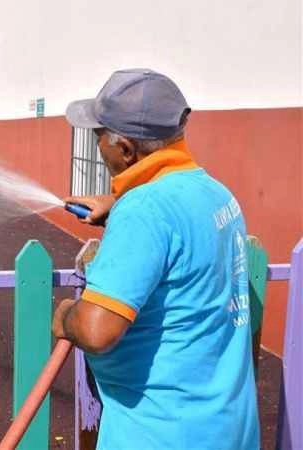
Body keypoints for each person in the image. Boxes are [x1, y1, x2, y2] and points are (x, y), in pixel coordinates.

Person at [55, 69, 259, 449]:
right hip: (226, 428)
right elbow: (181, 233)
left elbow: (97, 332)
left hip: (159, 431)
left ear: (127, 149)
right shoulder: (216, 194)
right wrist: (118, 205)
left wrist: (66, 315)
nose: (99, 146)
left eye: (100, 136)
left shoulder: (145, 211)